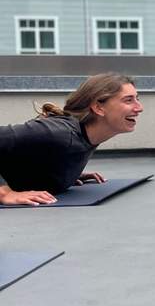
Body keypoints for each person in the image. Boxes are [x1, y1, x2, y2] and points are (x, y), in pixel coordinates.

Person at [0, 72, 144, 206]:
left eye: (137, 99)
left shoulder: (84, 136)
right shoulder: (57, 132)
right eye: (128, 100)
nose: (139, 108)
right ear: (99, 108)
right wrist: (4, 193)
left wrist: (64, 174)